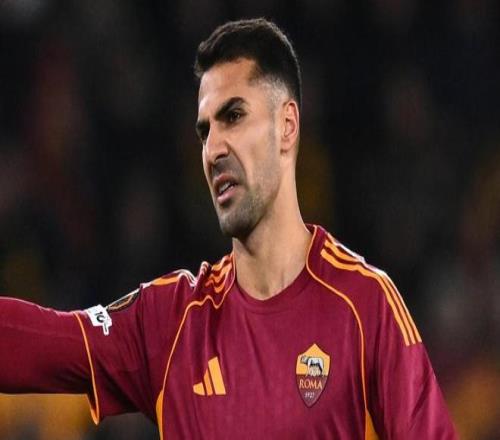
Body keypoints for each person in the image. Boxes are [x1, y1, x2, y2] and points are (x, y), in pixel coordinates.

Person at [0, 18, 457, 439]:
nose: (213, 148)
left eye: (233, 117)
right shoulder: (174, 324)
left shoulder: (364, 305)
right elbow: (45, 343)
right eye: (204, 131)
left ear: (287, 126)